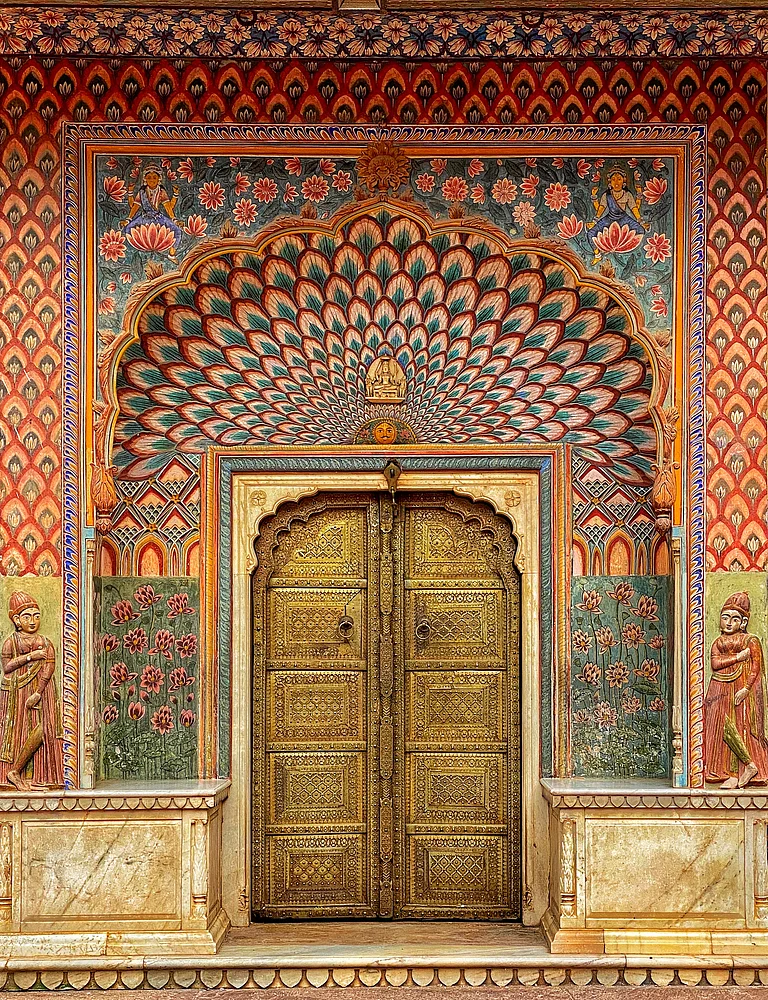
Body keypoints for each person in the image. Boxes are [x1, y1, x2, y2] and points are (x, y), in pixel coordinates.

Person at [0, 592, 64, 790]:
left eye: (36, 615)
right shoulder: (11, 642)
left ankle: (35, 775)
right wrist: (31, 656)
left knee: (44, 730)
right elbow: (7, 666)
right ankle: (15, 773)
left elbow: (50, 666)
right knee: (19, 730)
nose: (33, 620)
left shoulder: (45, 642)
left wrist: (38, 692)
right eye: (27, 616)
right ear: (16, 619)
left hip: (42, 691)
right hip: (17, 691)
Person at [704, 591, 768, 788]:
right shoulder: (718, 642)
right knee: (719, 725)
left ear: (743, 622)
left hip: (741, 687)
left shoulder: (751, 641)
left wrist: (746, 689)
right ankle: (733, 770)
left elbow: (756, 667)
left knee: (741, 726)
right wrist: (738, 658)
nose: (729, 623)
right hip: (719, 687)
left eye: (734, 619)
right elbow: (715, 663)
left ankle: (743, 769)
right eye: (725, 618)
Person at [120, 164, 182, 258]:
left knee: (177, 231)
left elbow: (168, 207)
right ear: (145, 179)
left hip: (158, 217)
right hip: (144, 217)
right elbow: (135, 207)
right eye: (149, 177)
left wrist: (175, 219)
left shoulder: (161, 191)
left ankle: (171, 254)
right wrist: (128, 219)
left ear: (159, 179)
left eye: (154, 177)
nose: (152, 180)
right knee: (127, 229)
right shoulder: (142, 192)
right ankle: (132, 255)